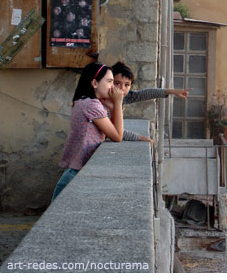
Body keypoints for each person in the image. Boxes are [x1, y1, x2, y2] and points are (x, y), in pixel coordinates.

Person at [51, 62, 124, 201]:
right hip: (78, 171)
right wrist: (118, 103)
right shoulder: (91, 105)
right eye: (109, 81)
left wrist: (112, 107)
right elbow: (117, 135)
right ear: (95, 83)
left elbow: (112, 129)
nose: (113, 87)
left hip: (76, 169)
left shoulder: (85, 101)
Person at [108, 62, 190, 144]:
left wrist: (172, 92)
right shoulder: (104, 103)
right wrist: (138, 137)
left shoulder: (125, 97)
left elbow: (145, 94)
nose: (122, 88)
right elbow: (114, 130)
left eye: (127, 85)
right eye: (117, 83)